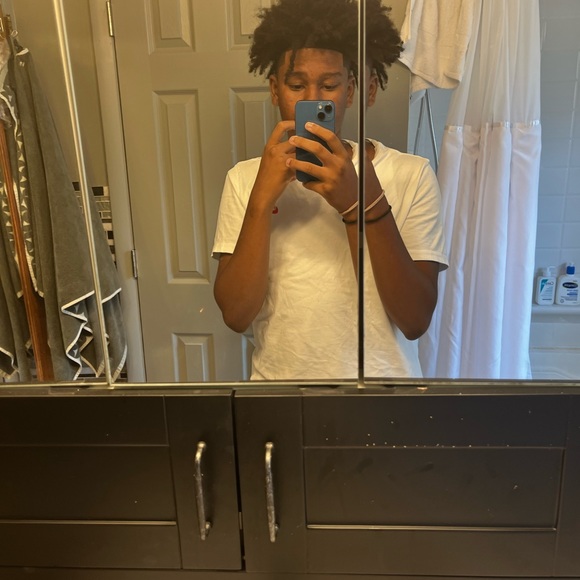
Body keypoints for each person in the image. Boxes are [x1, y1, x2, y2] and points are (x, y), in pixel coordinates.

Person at [212, 0, 448, 380]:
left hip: (383, 393)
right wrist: (260, 202)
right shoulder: (244, 179)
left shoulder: (411, 175)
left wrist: (358, 204)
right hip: (281, 393)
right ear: (275, 90)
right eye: (296, 85)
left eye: (329, 85)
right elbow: (237, 315)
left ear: (351, 91)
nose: (311, 100)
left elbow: (414, 319)